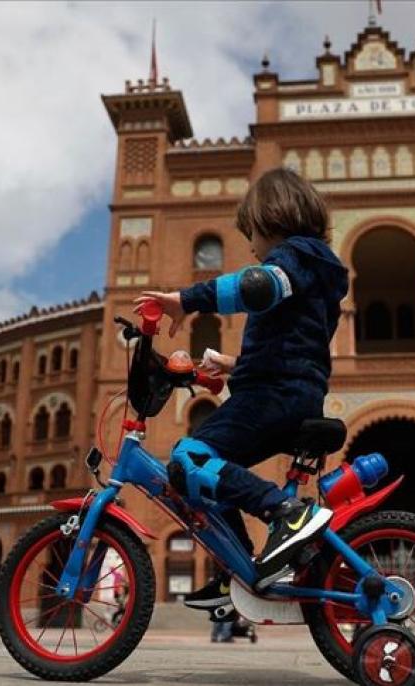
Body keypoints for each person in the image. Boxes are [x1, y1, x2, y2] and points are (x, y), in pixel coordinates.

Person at [135, 168, 349, 615]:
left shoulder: (296, 255)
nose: (251, 245)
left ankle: (284, 512)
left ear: (272, 216)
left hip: (274, 395)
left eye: (251, 232)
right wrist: (230, 366)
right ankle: (236, 569)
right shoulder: (314, 267)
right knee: (202, 479)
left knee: (188, 459)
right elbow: (298, 344)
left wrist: (186, 300)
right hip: (287, 390)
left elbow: (258, 286)